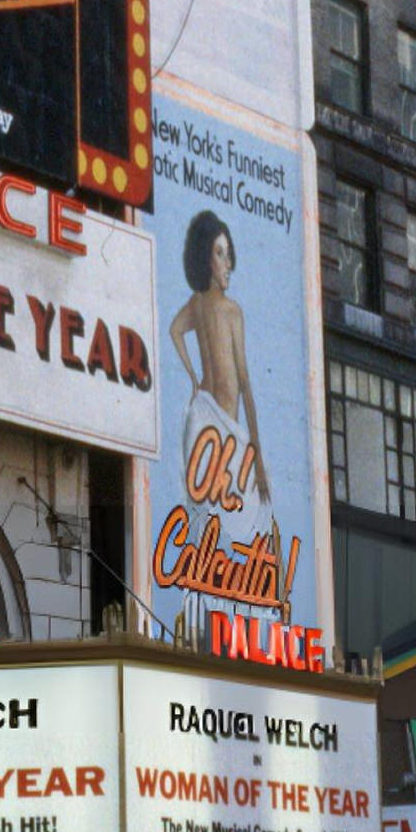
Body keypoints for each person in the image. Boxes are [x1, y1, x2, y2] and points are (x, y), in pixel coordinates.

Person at [169, 211, 282, 634]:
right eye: (219, 253)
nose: (227, 262)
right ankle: (204, 618)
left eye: (229, 252)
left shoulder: (222, 309)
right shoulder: (205, 304)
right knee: (204, 519)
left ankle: (255, 617)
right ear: (205, 258)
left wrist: (256, 454)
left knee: (256, 515)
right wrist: (192, 377)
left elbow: (246, 380)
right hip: (207, 422)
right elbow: (175, 333)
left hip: (228, 430)